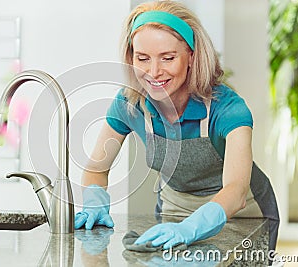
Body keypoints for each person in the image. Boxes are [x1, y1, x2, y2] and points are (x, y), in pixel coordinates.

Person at [74, 0, 280, 256]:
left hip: (245, 218)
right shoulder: (130, 104)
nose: (154, 72)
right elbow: (96, 168)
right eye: (142, 58)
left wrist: (191, 228)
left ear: (192, 56)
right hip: (173, 213)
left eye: (168, 58)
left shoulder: (227, 108)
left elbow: (235, 191)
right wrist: (94, 201)